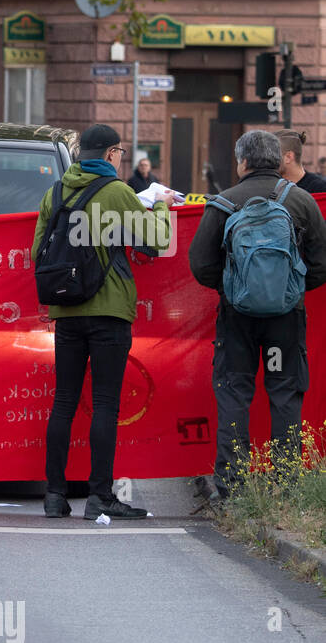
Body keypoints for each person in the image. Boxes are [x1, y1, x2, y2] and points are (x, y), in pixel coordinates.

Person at [31, 124, 175, 520]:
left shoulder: (55, 192)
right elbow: (158, 240)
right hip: (109, 311)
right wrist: (160, 203)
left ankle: (55, 496)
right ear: (111, 154)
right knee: (106, 405)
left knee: (63, 402)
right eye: (121, 152)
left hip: (66, 312)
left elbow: (36, 251)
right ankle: (99, 497)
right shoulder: (117, 193)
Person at [187, 129, 326, 501]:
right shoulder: (300, 202)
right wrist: (289, 290)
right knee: (284, 394)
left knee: (234, 391)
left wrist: (232, 289)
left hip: (237, 319)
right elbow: (320, 262)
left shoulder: (223, 203)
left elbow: (200, 264)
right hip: (285, 319)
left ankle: (232, 485)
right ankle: (285, 484)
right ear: (278, 159)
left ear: (243, 162)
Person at [275, 129, 326, 194]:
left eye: (273, 155)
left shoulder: (320, 188)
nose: (269, 159)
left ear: (288, 157)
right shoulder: (272, 186)